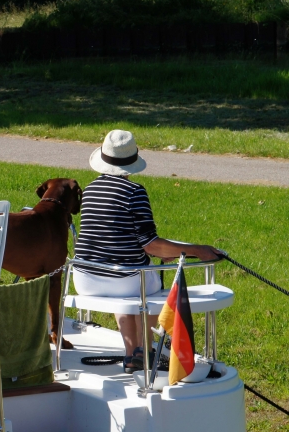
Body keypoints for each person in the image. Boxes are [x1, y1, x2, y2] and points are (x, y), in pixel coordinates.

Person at [73, 130, 221, 373]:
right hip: (125, 280)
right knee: (146, 285)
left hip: (85, 278)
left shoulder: (90, 190)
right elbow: (151, 244)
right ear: (132, 161)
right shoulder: (134, 192)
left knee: (127, 286)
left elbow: (108, 237)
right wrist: (198, 250)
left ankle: (131, 354)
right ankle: (146, 350)